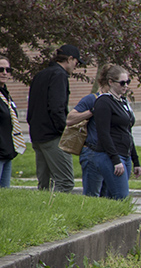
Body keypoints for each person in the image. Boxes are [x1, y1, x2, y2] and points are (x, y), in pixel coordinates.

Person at [26, 44, 83, 192]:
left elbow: (31, 108)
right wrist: (64, 132)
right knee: (65, 182)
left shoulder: (40, 75)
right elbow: (57, 108)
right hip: (52, 136)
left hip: (37, 136)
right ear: (70, 59)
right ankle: (59, 214)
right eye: (76, 63)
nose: (75, 67)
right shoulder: (59, 75)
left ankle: (43, 213)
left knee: (45, 184)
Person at [83, 66, 141, 200]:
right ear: (110, 82)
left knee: (112, 197)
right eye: (122, 83)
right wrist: (115, 160)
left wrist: (135, 160)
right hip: (109, 155)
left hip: (124, 154)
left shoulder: (123, 102)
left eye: (128, 82)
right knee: (121, 196)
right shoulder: (104, 102)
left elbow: (128, 132)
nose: (125, 85)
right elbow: (103, 133)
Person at [65, 64, 112, 197]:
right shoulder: (92, 99)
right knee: (92, 197)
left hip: (110, 154)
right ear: (108, 82)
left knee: (109, 197)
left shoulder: (118, 101)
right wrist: (92, 111)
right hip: (92, 153)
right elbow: (70, 119)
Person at [0, 57, 24, 187]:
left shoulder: (6, 94)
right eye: (1, 69)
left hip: (7, 153)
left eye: (8, 70)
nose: (4, 73)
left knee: (5, 194)